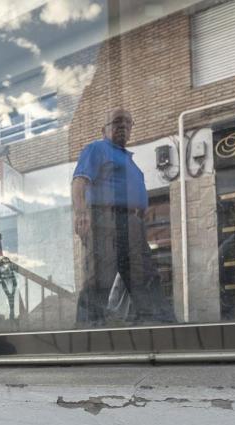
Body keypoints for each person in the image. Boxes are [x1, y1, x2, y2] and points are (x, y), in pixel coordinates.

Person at [72, 107, 173, 326]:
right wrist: (81, 214)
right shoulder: (97, 148)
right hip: (105, 220)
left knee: (143, 276)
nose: (123, 126)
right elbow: (80, 180)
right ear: (104, 129)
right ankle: (86, 330)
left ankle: (158, 324)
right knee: (100, 277)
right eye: (117, 122)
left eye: (128, 123)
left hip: (132, 224)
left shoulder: (129, 160)